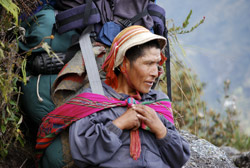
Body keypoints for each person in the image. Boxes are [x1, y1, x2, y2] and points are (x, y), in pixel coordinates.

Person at [68, 25, 190, 168]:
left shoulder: (157, 101)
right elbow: (81, 154)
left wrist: (161, 130)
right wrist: (119, 125)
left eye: (157, 64)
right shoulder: (93, 100)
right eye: (148, 63)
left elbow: (179, 159)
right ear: (124, 64)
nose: (155, 73)